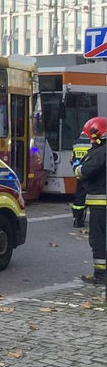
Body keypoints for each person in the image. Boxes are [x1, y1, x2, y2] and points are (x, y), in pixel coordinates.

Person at [78, 116, 107, 285]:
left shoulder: (100, 152)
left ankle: (100, 275)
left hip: (100, 203)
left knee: (98, 239)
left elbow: (86, 172)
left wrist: (77, 167)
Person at [71, 133, 92, 228]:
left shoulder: (76, 143)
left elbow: (72, 158)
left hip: (80, 174)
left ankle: (77, 220)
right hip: (92, 174)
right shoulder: (94, 143)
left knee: (79, 197)